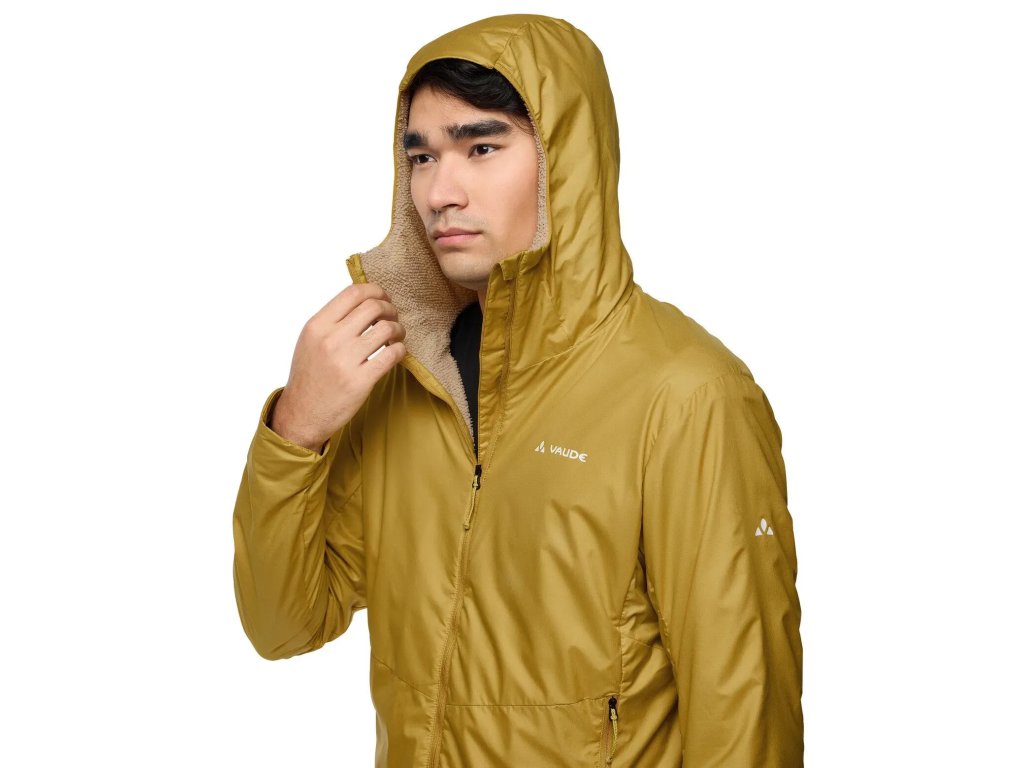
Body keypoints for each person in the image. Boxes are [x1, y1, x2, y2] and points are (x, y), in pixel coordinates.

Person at [232, 13, 803, 766]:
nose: (440, 191)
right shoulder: (404, 377)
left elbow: (743, 712)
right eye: (422, 157)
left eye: (482, 147)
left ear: (566, 161)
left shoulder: (689, 394)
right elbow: (283, 625)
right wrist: (296, 430)